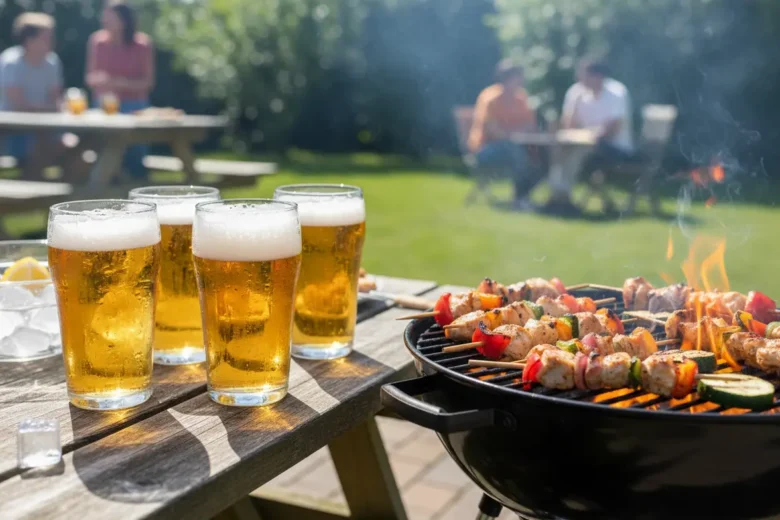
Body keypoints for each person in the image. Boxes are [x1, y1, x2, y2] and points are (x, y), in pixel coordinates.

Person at [546, 58, 634, 213]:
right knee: (559, 149)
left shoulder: (616, 92)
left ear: (598, 76)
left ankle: (562, 196)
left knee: (576, 151)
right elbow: (568, 126)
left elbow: (612, 129)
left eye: (584, 75)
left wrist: (589, 135)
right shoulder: (576, 92)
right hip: (583, 143)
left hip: (614, 148)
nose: (580, 79)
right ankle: (557, 195)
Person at [86, 0, 155, 179]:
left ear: (124, 20)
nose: (104, 20)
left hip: (135, 107)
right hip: (105, 106)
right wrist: (103, 82)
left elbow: (147, 82)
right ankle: (107, 184)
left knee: (134, 156)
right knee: (103, 149)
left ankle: (136, 183)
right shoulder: (97, 41)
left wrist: (117, 82)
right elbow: (91, 78)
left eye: (110, 16)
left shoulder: (142, 44)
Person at [467, 59, 540, 210]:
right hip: (486, 148)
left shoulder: (521, 98)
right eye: (517, 77)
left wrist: (515, 134)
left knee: (542, 155)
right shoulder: (490, 98)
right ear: (506, 78)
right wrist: (514, 134)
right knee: (518, 153)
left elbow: (530, 125)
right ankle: (520, 198)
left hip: (516, 145)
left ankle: (524, 195)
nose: (521, 81)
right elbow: (493, 131)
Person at [0, 13, 63, 169]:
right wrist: (49, 109)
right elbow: (19, 106)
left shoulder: (52, 62)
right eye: (46, 37)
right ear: (29, 40)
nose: (51, 42)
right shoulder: (10, 62)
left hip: (47, 127)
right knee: (36, 151)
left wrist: (50, 109)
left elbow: (56, 100)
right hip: (13, 131)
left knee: (76, 150)